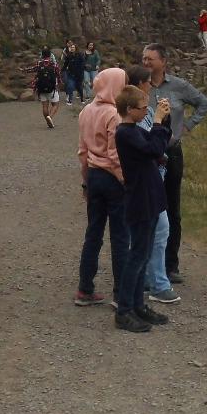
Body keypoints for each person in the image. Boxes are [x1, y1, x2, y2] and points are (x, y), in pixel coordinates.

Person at [142, 43, 207, 286]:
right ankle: (147, 264)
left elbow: (203, 103)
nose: (146, 62)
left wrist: (186, 127)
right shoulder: (139, 86)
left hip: (172, 153)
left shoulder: (179, 86)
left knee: (172, 209)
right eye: (144, 58)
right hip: (146, 155)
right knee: (147, 209)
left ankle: (171, 265)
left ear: (163, 61)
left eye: (150, 59)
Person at [113, 85, 174, 332]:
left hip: (149, 197)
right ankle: (124, 310)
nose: (146, 111)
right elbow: (153, 148)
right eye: (142, 108)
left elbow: (155, 142)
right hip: (139, 199)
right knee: (136, 255)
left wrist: (163, 122)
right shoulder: (125, 133)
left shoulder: (134, 131)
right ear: (129, 110)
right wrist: (158, 121)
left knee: (144, 253)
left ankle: (137, 305)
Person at [75, 67, 130, 308]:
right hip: (111, 178)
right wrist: (124, 180)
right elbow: (114, 154)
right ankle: (121, 294)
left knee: (93, 233)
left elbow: (82, 151)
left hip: (94, 176)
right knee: (120, 237)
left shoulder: (86, 110)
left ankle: (85, 288)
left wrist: (86, 181)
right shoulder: (114, 115)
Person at [29, 48, 61, 127]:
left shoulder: (39, 63)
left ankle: (48, 121)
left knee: (45, 105)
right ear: (50, 55)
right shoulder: (53, 64)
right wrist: (59, 82)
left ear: (42, 55)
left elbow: (31, 69)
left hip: (41, 87)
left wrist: (22, 69)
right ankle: (50, 117)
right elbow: (58, 74)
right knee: (55, 104)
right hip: (52, 88)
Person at [63, 40, 85, 104]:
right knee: (70, 86)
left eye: (73, 47)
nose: (72, 48)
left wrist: (81, 70)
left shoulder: (80, 55)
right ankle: (70, 100)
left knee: (79, 87)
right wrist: (62, 70)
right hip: (70, 74)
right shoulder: (68, 56)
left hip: (79, 74)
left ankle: (82, 99)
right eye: (71, 47)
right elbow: (65, 64)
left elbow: (83, 63)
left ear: (76, 48)